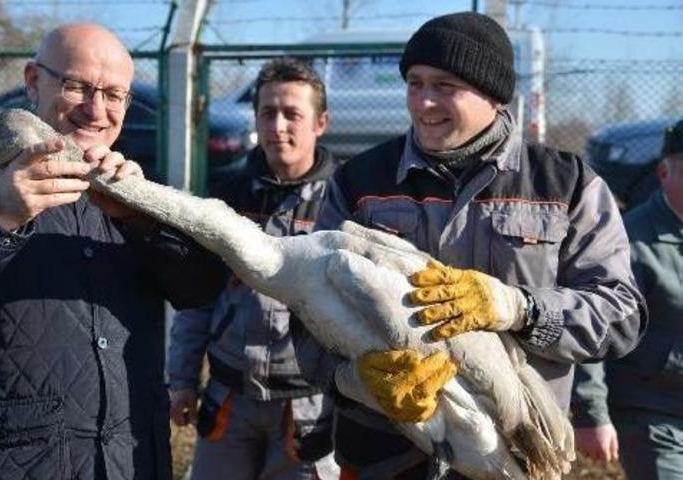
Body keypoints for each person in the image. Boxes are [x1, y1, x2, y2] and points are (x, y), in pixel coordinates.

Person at [290, 11, 647, 479]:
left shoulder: (567, 185)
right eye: (414, 83)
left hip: (513, 458)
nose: (424, 102)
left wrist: (520, 309)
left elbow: (621, 314)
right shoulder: (359, 183)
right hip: (384, 455)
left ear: (493, 95)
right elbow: (309, 311)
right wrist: (354, 382)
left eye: (444, 85)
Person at [0, 23, 223, 479]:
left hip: (129, 462)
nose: (97, 109)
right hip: (13, 465)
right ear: (34, 81)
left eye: (115, 95)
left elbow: (201, 289)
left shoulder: (138, 188)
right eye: (77, 86)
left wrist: (141, 220)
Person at [167, 57, 339, 480]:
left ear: (321, 123)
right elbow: (196, 299)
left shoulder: (346, 203)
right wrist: (182, 379)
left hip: (309, 408)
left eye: (292, 114)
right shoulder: (224, 200)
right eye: (268, 113)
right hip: (228, 400)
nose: (279, 126)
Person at [570, 119, 683, 479]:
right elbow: (593, 330)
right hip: (652, 415)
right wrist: (592, 415)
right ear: (664, 172)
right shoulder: (628, 243)